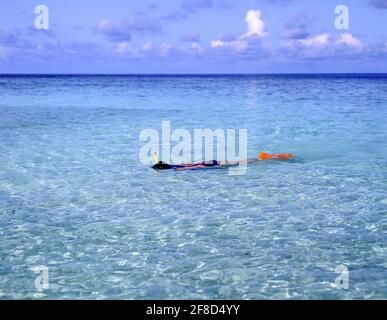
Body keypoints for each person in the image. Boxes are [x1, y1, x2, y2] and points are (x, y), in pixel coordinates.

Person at [152, 152, 294, 171]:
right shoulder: (176, 165)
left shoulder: (177, 168)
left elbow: (197, 166)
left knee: (244, 162)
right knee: (244, 160)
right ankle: (272, 156)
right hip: (212, 161)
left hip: (215, 164)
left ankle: (274, 157)